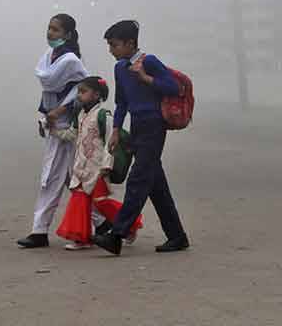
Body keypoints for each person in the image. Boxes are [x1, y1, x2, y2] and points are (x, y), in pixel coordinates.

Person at [93, 20, 189, 256]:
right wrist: (115, 130)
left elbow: (173, 88)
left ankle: (116, 235)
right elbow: (121, 102)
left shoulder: (149, 62)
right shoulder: (120, 68)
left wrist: (145, 77)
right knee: (156, 185)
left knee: (138, 179)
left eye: (114, 45)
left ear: (130, 43)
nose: (111, 50)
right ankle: (177, 236)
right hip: (137, 126)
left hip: (154, 126)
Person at [17, 14, 110, 249]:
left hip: (69, 128)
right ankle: (103, 224)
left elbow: (83, 90)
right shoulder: (48, 57)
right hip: (54, 127)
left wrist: (61, 111)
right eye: (49, 28)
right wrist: (43, 117)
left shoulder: (71, 61)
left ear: (67, 35)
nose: (50, 33)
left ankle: (40, 230)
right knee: (76, 179)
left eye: (56, 30)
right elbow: (47, 93)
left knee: (53, 179)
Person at [53, 76, 143, 250]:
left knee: (101, 201)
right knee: (79, 200)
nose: (79, 95)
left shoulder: (103, 115)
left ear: (96, 95)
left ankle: (130, 224)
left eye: (83, 92)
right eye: (79, 92)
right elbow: (72, 135)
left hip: (98, 167)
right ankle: (81, 238)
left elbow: (111, 141)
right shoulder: (80, 115)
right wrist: (53, 130)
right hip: (81, 167)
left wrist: (106, 166)